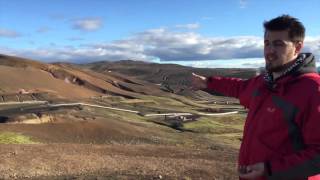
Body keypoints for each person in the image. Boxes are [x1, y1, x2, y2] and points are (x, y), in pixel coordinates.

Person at [191, 15, 320, 180]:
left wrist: (270, 170)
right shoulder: (265, 81)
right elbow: (239, 87)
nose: (270, 51)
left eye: (278, 44)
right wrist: (208, 82)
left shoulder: (312, 90)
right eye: (267, 43)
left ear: (297, 47)